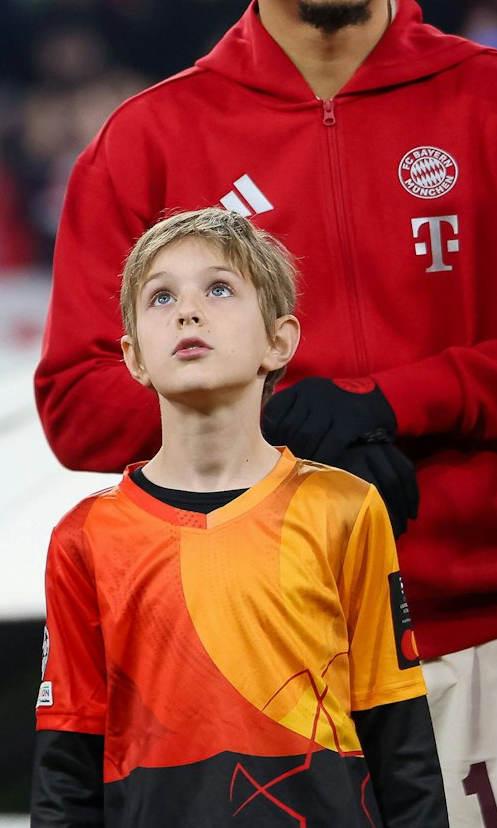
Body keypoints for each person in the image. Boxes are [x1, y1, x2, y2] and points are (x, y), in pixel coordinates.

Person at [34, 0, 497, 824]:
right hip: (233, 652)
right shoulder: (149, 141)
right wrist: (276, 427)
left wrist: (394, 402)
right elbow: (76, 400)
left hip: (467, 633)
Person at [33, 209, 445, 826]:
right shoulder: (85, 539)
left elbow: (400, 739)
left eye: (219, 289)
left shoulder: (345, 509)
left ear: (279, 341)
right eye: (161, 296)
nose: (187, 311)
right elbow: (67, 766)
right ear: (134, 356)